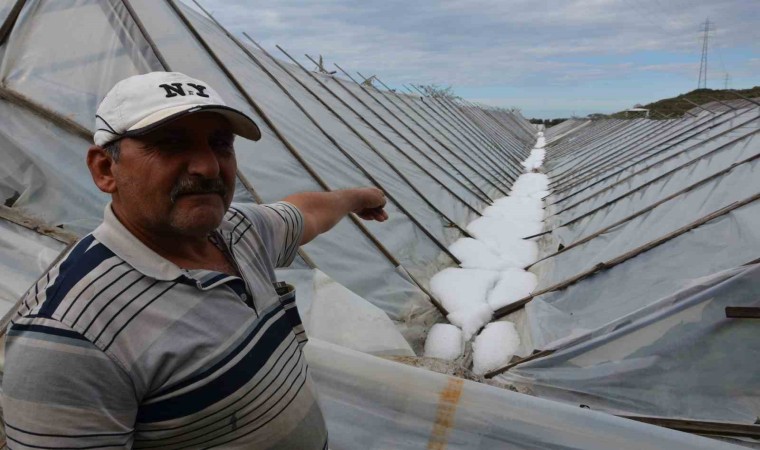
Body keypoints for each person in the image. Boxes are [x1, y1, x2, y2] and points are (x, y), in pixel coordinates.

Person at [2, 72, 388, 448]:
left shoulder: (240, 232)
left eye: (221, 144)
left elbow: (308, 211)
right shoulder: (70, 335)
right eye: (171, 144)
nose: (208, 167)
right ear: (105, 169)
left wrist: (359, 197)